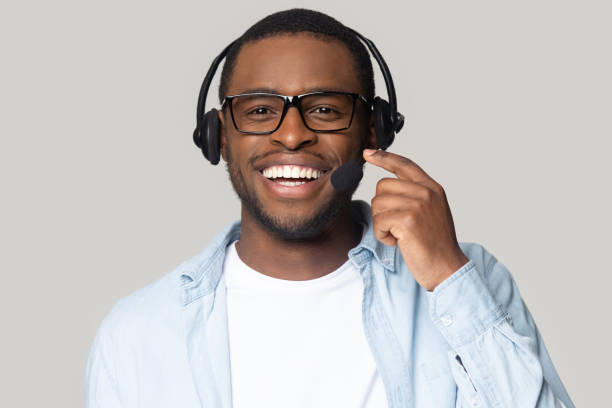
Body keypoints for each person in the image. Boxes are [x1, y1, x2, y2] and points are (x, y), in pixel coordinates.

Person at [85, 8, 575, 408]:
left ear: (374, 129)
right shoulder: (138, 332)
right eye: (259, 110)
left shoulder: (471, 281)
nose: (293, 134)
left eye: (325, 109)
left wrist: (448, 275)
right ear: (218, 137)